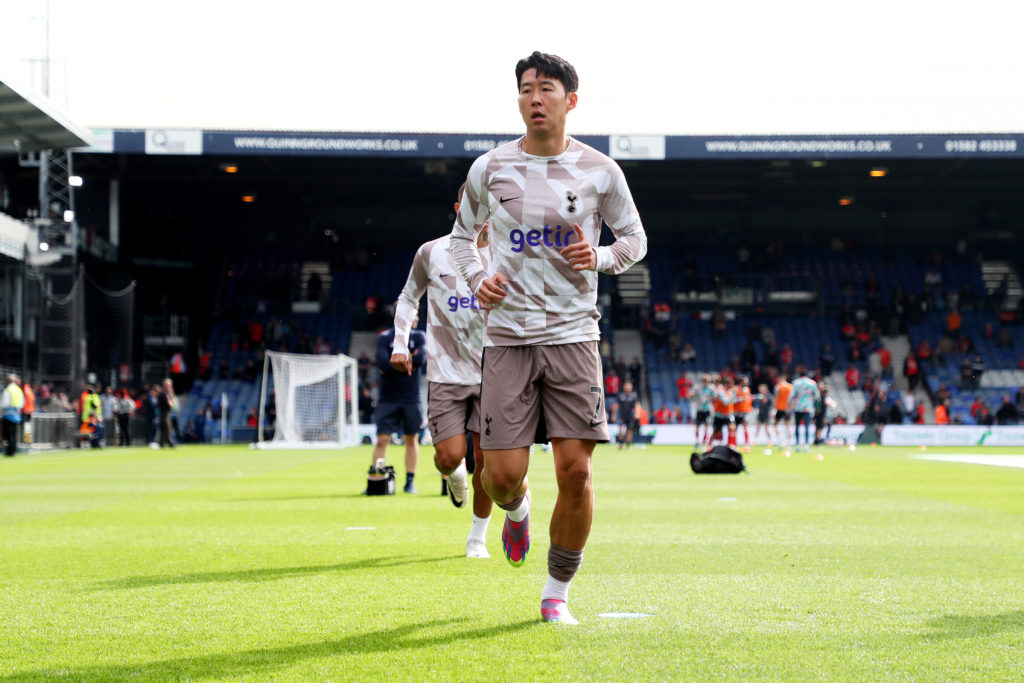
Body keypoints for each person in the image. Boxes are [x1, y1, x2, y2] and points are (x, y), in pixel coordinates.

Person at [449, 51, 647, 625]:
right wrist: (477, 278)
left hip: (573, 336)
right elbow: (462, 239)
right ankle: (516, 512)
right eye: (526, 89)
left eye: (547, 89)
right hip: (507, 336)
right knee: (501, 477)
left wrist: (604, 256)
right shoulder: (489, 168)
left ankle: (556, 592)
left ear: (570, 100)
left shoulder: (601, 170)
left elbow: (634, 238)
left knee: (577, 472)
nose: (535, 98)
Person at [390, 197, 495, 558]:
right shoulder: (431, 252)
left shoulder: (507, 255)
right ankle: (454, 478)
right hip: (446, 372)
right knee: (450, 458)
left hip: (494, 371)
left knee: (487, 461)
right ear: (457, 208)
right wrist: (400, 343)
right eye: (474, 207)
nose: (481, 216)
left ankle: (477, 537)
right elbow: (408, 297)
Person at [371, 316, 426, 494]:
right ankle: (378, 480)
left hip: (411, 398)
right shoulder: (385, 338)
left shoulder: (420, 337)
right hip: (388, 398)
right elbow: (382, 362)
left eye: (416, 315)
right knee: (382, 440)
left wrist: (395, 364)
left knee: (411, 439)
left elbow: (421, 360)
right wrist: (410, 361)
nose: (415, 319)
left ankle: (410, 482)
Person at [789, 368, 820, 452]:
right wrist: (817, 408)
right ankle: (806, 445)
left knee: (797, 427)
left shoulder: (796, 383)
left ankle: (798, 445)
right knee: (807, 427)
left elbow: (791, 396)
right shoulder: (812, 383)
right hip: (808, 407)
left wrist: (788, 408)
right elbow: (817, 397)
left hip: (797, 407)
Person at [1, 374, 24, 456]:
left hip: (8, 415)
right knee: (14, 434)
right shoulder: (18, 390)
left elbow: (4, 403)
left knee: (7, 434)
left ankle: (9, 451)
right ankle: (13, 450)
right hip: (16, 415)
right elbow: (21, 403)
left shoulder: (8, 390)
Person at [615, 381, 640, 449]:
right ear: (624, 387)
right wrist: (613, 414)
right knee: (620, 430)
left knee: (629, 431)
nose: (627, 387)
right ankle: (620, 444)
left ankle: (628, 446)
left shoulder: (634, 395)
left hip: (630, 416)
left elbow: (637, 405)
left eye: (629, 386)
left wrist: (637, 413)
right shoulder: (620, 395)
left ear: (631, 387)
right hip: (622, 415)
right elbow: (617, 405)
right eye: (626, 386)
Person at [694, 374, 715, 447]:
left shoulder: (711, 389)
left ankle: (704, 441)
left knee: (706, 426)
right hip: (699, 409)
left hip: (707, 410)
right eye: (704, 380)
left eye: (706, 380)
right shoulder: (698, 388)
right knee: (697, 427)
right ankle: (697, 441)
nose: (705, 382)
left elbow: (715, 397)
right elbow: (692, 395)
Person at [773, 375, 793, 446]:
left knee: (775, 424)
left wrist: (774, 409)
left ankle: (780, 440)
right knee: (787, 425)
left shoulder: (778, 386)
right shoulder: (790, 387)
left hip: (780, 408)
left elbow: (776, 397)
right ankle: (789, 442)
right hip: (788, 408)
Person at [157, 378, 176, 448]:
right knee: (167, 428)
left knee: (165, 429)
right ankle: (170, 443)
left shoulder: (167, 393)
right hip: (164, 413)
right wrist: (171, 396)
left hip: (167, 412)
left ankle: (162, 443)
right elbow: (170, 403)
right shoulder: (163, 393)